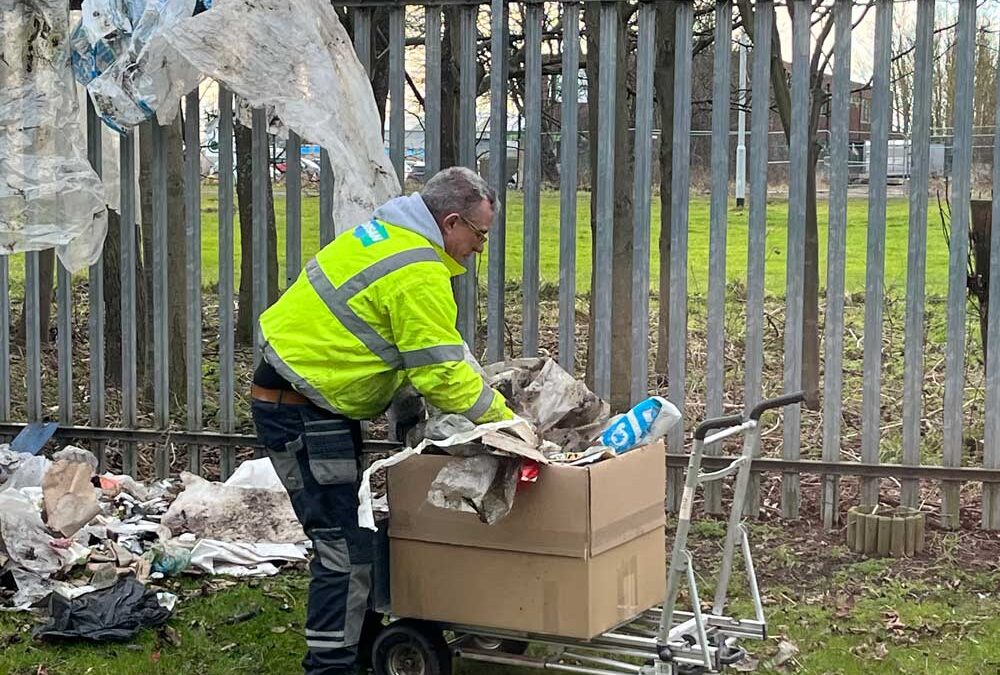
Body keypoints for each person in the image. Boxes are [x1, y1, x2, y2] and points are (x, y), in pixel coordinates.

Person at [250, 166, 515, 675]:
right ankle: (330, 668)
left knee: (348, 539)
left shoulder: (384, 234)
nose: (481, 247)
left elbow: (391, 346)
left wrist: (409, 417)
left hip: (310, 396)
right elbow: (441, 374)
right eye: (479, 234)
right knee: (341, 549)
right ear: (452, 221)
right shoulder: (418, 271)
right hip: (302, 410)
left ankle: (358, 646)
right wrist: (508, 425)